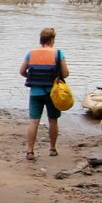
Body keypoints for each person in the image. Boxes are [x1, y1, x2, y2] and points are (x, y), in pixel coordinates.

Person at [19, 27, 69, 161]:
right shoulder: (58, 53)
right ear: (52, 39)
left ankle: (30, 151)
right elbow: (65, 74)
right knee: (53, 120)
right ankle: (52, 149)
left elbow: (22, 71)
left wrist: (33, 77)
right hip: (53, 93)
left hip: (35, 92)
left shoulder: (31, 53)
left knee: (34, 121)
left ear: (41, 40)